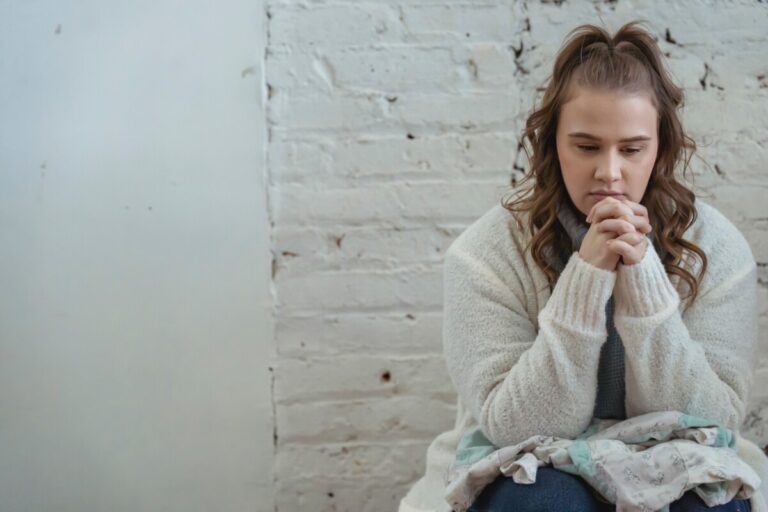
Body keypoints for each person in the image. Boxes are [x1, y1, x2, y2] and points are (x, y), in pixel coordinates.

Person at [397, 20, 768, 512]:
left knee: (704, 504)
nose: (609, 173)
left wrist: (645, 284)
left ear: (660, 148)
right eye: (587, 146)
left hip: (675, 456)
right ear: (553, 143)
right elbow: (516, 426)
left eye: (632, 149)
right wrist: (587, 277)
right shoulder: (485, 251)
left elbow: (713, 422)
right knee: (542, 500)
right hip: (530, 457)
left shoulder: (716, 247)